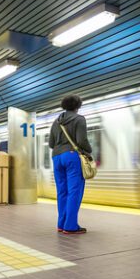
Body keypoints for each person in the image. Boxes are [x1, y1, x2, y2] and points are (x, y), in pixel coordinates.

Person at [48, 95, 92, 234]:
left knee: (62, 192)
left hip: (57, 157)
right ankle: (70, 226)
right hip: (72, 157)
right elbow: (82, 140)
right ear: (78, 106)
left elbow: (51, 144)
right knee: (74, 191)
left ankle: (61, 224)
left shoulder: (56, 122)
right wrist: (89, 151)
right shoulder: (79, 119)